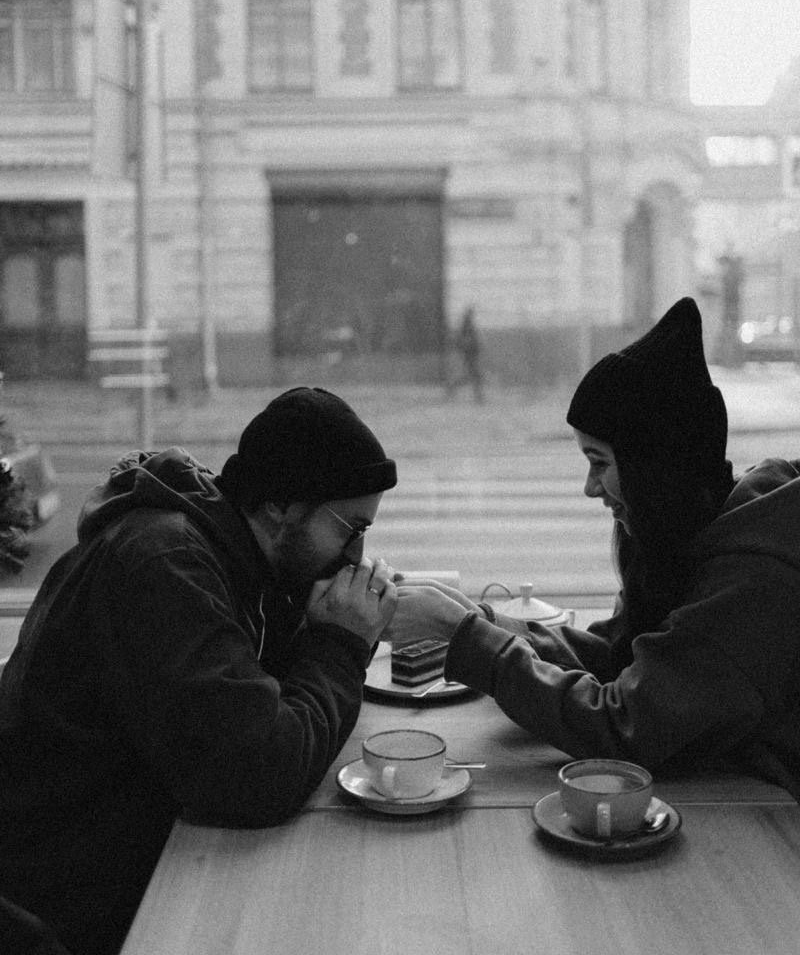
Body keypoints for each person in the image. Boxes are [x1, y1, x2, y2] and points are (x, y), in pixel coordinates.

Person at [0, 387, 398, 955]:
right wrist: (339, 645)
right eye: (350, 529)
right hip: (73, 891)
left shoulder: (236, 555)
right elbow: (258, 773)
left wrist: (328, 621)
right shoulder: (165, 565)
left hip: (139, 844)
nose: (356, 556)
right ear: (279, 506)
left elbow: (259, 704)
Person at [388, 298, 800, 799]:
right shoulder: (690, 533)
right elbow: (614, 655)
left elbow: (625, 726)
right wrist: (479, 619)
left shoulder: (754, 576)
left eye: (599, 462)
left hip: (767, 819)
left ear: (654, 468)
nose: (590, 487)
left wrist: (469, 640)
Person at [446, 305, 484, 403]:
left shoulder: (467, 325)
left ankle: (452, 387)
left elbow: (468, 340)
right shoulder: (466, 326)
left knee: (471, 375)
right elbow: (466, 341)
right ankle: (478, 396)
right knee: (474, 375)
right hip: (469, 354)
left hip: (470, 354)